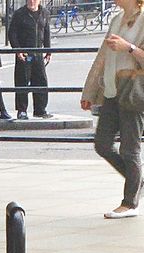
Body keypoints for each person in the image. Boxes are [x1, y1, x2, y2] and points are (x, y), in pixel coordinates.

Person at [82, 0, 144, 218]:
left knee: (130, 149)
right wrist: (89, 92)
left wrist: (129, 47)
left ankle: (130, 203)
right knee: (102, 145)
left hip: (133, 91)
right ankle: (138, 183)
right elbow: (102, 58)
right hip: (111, 91)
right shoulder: (116, 19)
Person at [8, 0, 52, 119]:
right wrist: (18, 50)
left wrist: (48, 51)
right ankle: (22, 110)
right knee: (22, 81)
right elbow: (12, 33)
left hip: (38, 53)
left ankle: (40, 109)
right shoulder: (19, 14)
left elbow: (46, 32)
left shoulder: (44, 13)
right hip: (25, 54)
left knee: (41, 81)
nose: (32, 2)